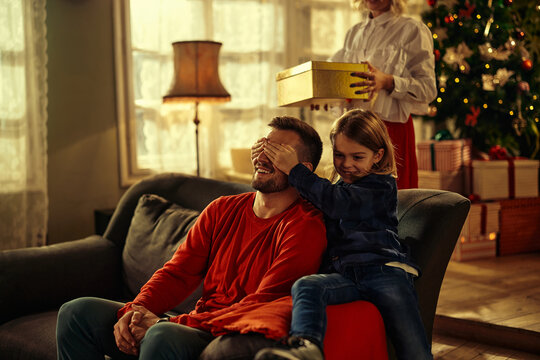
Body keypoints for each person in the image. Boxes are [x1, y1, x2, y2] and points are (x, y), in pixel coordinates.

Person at [56, 116, 327, 360]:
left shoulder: (305, 226)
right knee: (76, 313)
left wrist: (169, 325)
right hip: (193, 321)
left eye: (277, 153)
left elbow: (262, 302)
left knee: (161, 336)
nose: (263, 158)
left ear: (302, 169)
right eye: (262, 147)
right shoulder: (221, 208)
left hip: (225, 330)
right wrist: (136, 310)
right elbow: (177, 273)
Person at [252, 109, 432, 360]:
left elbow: (337, 203)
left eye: (357, 157)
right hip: (345, 275)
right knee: (306, 285)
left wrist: (295, 169)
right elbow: (315, 204)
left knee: (413, 348)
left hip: (384, 272)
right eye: (339, 155)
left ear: (378, 156)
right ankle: (306, 348)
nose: (347, 164)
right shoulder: (337, 187)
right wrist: (266, 158)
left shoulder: (381, 187)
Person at [331, 0, 437, 189]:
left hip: (390, 133)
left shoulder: (412, 30)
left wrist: (388, 82)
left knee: (392, 204)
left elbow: (428, 89)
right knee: (354, 201)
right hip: (353, 134)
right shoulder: (353, 33)